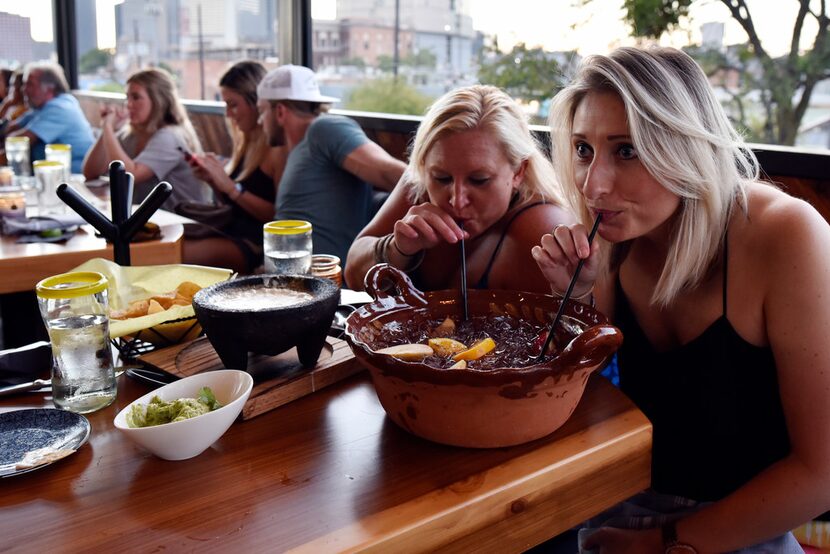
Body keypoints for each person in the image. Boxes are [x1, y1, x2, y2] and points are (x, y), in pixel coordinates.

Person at [532, 46, 830, 552]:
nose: (592, 184)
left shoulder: (786, 235)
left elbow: (821, 471)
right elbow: (593, 411)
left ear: (687, 146)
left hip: (738, 528)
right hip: (610, 506)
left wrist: (669, 544)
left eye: (627, 150)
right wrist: (577, 302)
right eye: (583, 149)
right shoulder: (609, 239)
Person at [345, 84, 573, 294]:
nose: (457, 199)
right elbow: (353, 275)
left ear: (518, 172)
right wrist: (397, 249)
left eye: (479, 180)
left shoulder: (540, 229)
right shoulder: (421, 181)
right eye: (442, 178)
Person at [256, 64, 407, 267]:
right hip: (291, 281)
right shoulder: (301, 149)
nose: (259, 121)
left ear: (280, 111)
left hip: (324, 284)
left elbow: (393, 174)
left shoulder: (325, 129)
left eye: (261, 111)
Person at [182, 60, 287, 274]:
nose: (228, 114)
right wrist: (213, 180)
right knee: (160, 246)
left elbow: (279, 215)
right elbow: (234, 206)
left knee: (175, 253)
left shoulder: (277, 149)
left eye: (233, 104)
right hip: (232, 232)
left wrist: (230, 187)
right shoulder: (246, 142)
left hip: (256, 244)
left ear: (255, 102)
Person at [82, 67, 210, 210]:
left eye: (136, 97)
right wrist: (108, 130)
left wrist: (107, 129)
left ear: (158, 100)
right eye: (127, 98)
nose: (129, 105)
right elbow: (91, 172)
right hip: (151, 222)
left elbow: (130, 175)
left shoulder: (169, 136)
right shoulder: (133, 133)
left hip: (182, 225)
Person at [5, 62, 94, 173]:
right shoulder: (40, 108)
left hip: (73, 177)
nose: (23, 89)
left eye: (30, 84)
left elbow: (18, 141)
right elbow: (9, 128)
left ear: (49, 88)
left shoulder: (60, 108)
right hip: (51, 174)